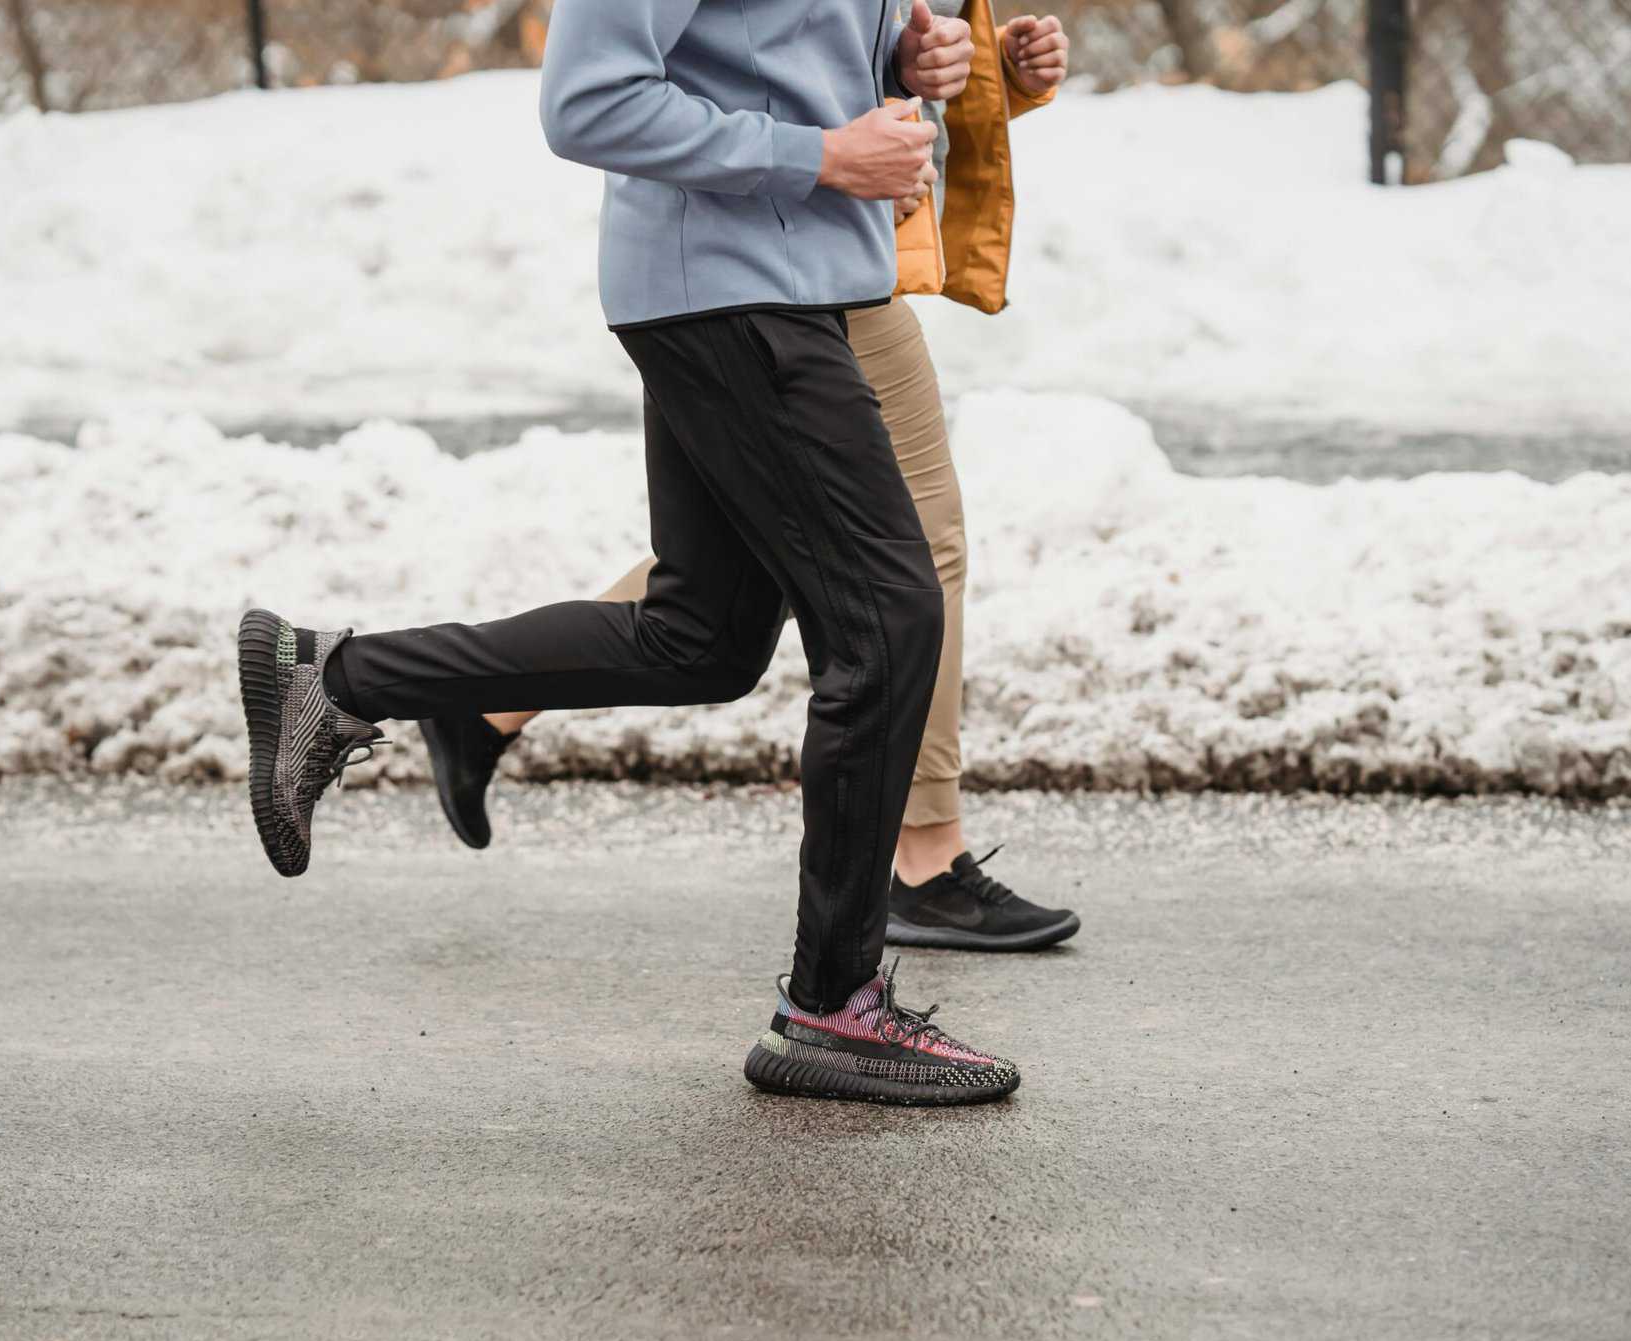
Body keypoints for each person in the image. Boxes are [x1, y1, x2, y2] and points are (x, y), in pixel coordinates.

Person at [238, 0, 1023, 1106]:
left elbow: (773, 45)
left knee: (700, 640)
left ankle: (336, 677)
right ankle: (833, 1007)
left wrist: (905, 53)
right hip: (735, 289)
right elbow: (589, 100)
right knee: (889, 624)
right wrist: (821, 154)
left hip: (792, 284)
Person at [420, 3, 1080, 956]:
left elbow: (801, 57)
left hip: (822, 254)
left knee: (760, 566)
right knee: (900, 559)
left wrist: (959, 69)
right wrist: (828, 154)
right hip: (757, 266)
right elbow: (604, 98)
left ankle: (471, 701)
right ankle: (920, 865)